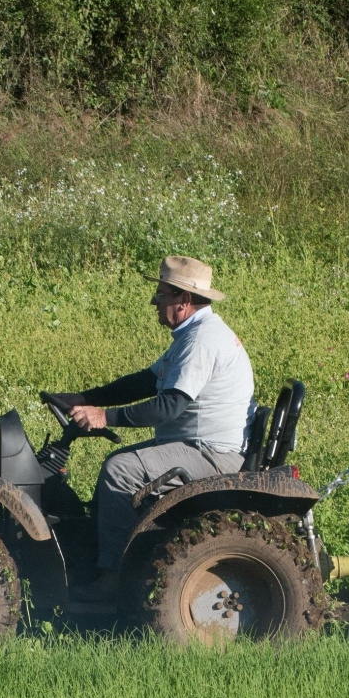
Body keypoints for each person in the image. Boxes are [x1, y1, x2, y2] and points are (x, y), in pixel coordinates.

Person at [51, 255, 254, 601]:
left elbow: (168, 406)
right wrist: (82, 398)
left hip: (212, 454)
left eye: (160, 294)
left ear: (183, 301)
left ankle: (113, 579)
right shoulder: (192, 334)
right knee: (118, 465)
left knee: (120, 470)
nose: (153, 302)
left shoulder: (202, 342)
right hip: (199, 445)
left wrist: (105, 417)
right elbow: (146, 382)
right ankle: (101, 559)